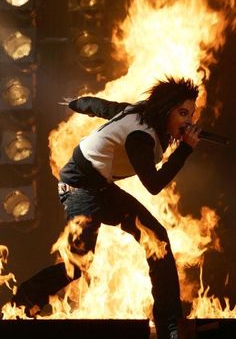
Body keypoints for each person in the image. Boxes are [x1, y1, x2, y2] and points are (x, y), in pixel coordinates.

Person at [12, 76, 201, 339]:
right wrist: (185, 151)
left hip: (100, 188)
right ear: (165, 108)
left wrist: (77, 103)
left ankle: (170, 324)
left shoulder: (134, 112)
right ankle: (22, 303)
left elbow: (101, 107)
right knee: (77, 265)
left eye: (191, 114)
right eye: (182, 113)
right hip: (78, 189)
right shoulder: (140, 137)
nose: (188, 121)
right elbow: (154, 184)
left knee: (156, 239)